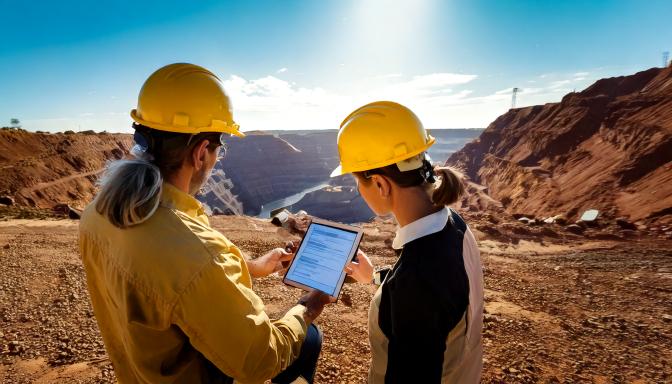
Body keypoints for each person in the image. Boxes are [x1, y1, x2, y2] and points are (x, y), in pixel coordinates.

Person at [79, 63, 330, 384]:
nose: (215, 161)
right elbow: (260, 360)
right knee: (308, 339)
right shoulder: (194, 250)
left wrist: (253, 266)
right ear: (200, 153)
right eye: (218, 151)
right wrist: (309, 306)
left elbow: (173, 282)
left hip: (136, 372)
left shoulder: (99, 212)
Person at [333, 101, 484, 383]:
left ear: (380, 185)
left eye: (358, 182)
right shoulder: (453, 225)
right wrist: (377, 278)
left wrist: (396, 287)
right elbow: (436, 293)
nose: (358, 190)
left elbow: (420, 292)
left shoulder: (416, 280)